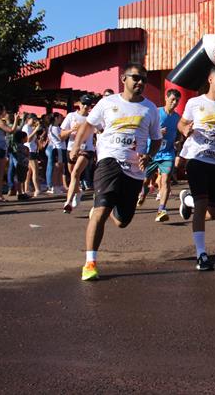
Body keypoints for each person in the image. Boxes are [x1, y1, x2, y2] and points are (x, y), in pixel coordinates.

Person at [71, 63, 162, 281]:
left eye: (144, 79)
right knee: (100, 211)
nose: (140, 82)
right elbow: (88, 125)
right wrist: (76, 145)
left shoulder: (150, 108)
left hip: (134, 168)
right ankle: (90, 263)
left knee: (122, 221)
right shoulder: (107, 102)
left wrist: (148, 155)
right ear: (124, 79)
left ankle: (109, 206)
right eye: (136, 78)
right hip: (109, 160)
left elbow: (156, 139)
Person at [175, 67, 215, 270]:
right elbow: (182, 123)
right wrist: (185, 129)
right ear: (210, 79)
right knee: (202, 203)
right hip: (197, 158)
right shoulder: (195, 103)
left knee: (213, 212)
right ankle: (201, 254)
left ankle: (187, 200)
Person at [138, 89, 180, 222]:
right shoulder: (156, 112)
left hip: (168, 153)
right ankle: (143, 194)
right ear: (166, 98)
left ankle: (162, 209)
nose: (174, 103)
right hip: (152, 153)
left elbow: (178, 134)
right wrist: (157, 133)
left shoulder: (177, 117)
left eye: (177, 101)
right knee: (145, 180)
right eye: (172, 99)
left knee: (165, 180)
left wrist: (178, 141)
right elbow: (144, 129)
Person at [61, 96, 96, 213]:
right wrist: (71, 130)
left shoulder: (93, 118)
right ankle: (78, 192)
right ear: (79, 104)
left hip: (87, 149)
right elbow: (62, 135)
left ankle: (68, 202)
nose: (86, 106)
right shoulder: (71, 116)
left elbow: (101, 130)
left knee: (76, 172)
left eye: (89, 104)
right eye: (84, 104)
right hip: (71, 149)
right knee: (73, 176)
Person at [0, 106, 22, 202]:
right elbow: (11, 130)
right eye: (4, 110)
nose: (5, 112)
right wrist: (16, 120)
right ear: (0, 111)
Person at [21, 114, 42, 198]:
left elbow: (34, 139)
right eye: (33, 119)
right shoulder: (26, 127)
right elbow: (28, 139)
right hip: (29, 150)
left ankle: (27, 189)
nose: (34, 121)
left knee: (29, 172)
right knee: (35, 170)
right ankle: (37, 189)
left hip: (33, 150)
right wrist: (35, 130)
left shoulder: (30, 128)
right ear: (28, 119)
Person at [46, 112, 66, 194]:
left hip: (60, 148)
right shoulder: (54, 127)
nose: (61, 119)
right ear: (56, 118)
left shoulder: (55, 127)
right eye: (60, 117)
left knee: (61, 168)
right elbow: (61, 138)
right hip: (58, 148)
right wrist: (69, 132)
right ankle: (54, 186)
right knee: (57, 168)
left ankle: (59, 185)